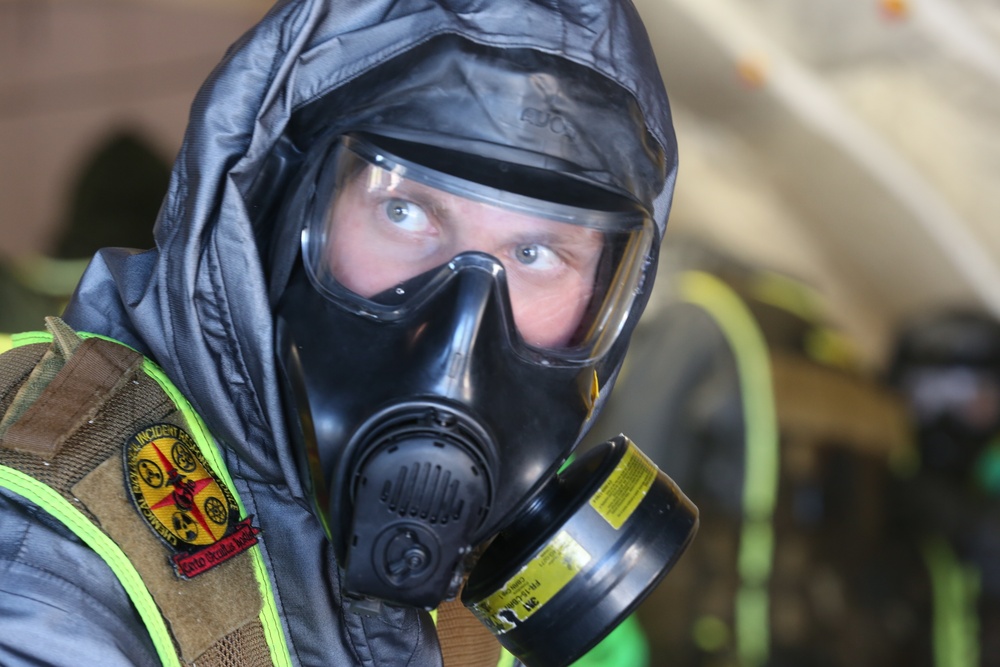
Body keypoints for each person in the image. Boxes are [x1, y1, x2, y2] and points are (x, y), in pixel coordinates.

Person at [0, 1, 690, 666]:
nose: (459, 331)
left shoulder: (471, 585)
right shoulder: (39, 552)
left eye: (536, 254)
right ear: (273, 207)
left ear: (606, 304)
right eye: (404, 211)